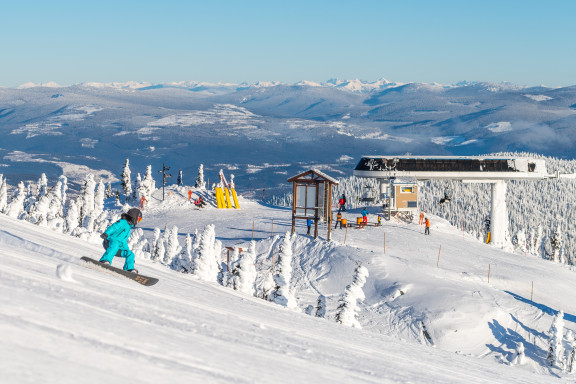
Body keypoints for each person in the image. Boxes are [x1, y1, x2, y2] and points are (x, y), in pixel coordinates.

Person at [99, 208, 142, 273]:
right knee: (115, 244)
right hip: (109, 243)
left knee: (130, 254)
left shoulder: (128, 228)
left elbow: (124, 242)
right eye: (139, 219)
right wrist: (106, 233)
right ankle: (104, 260)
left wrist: (127, 251)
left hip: (117, 247)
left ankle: (129, 269)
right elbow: (113, 227)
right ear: (134, 217)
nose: (139, 221)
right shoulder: (122, 222)